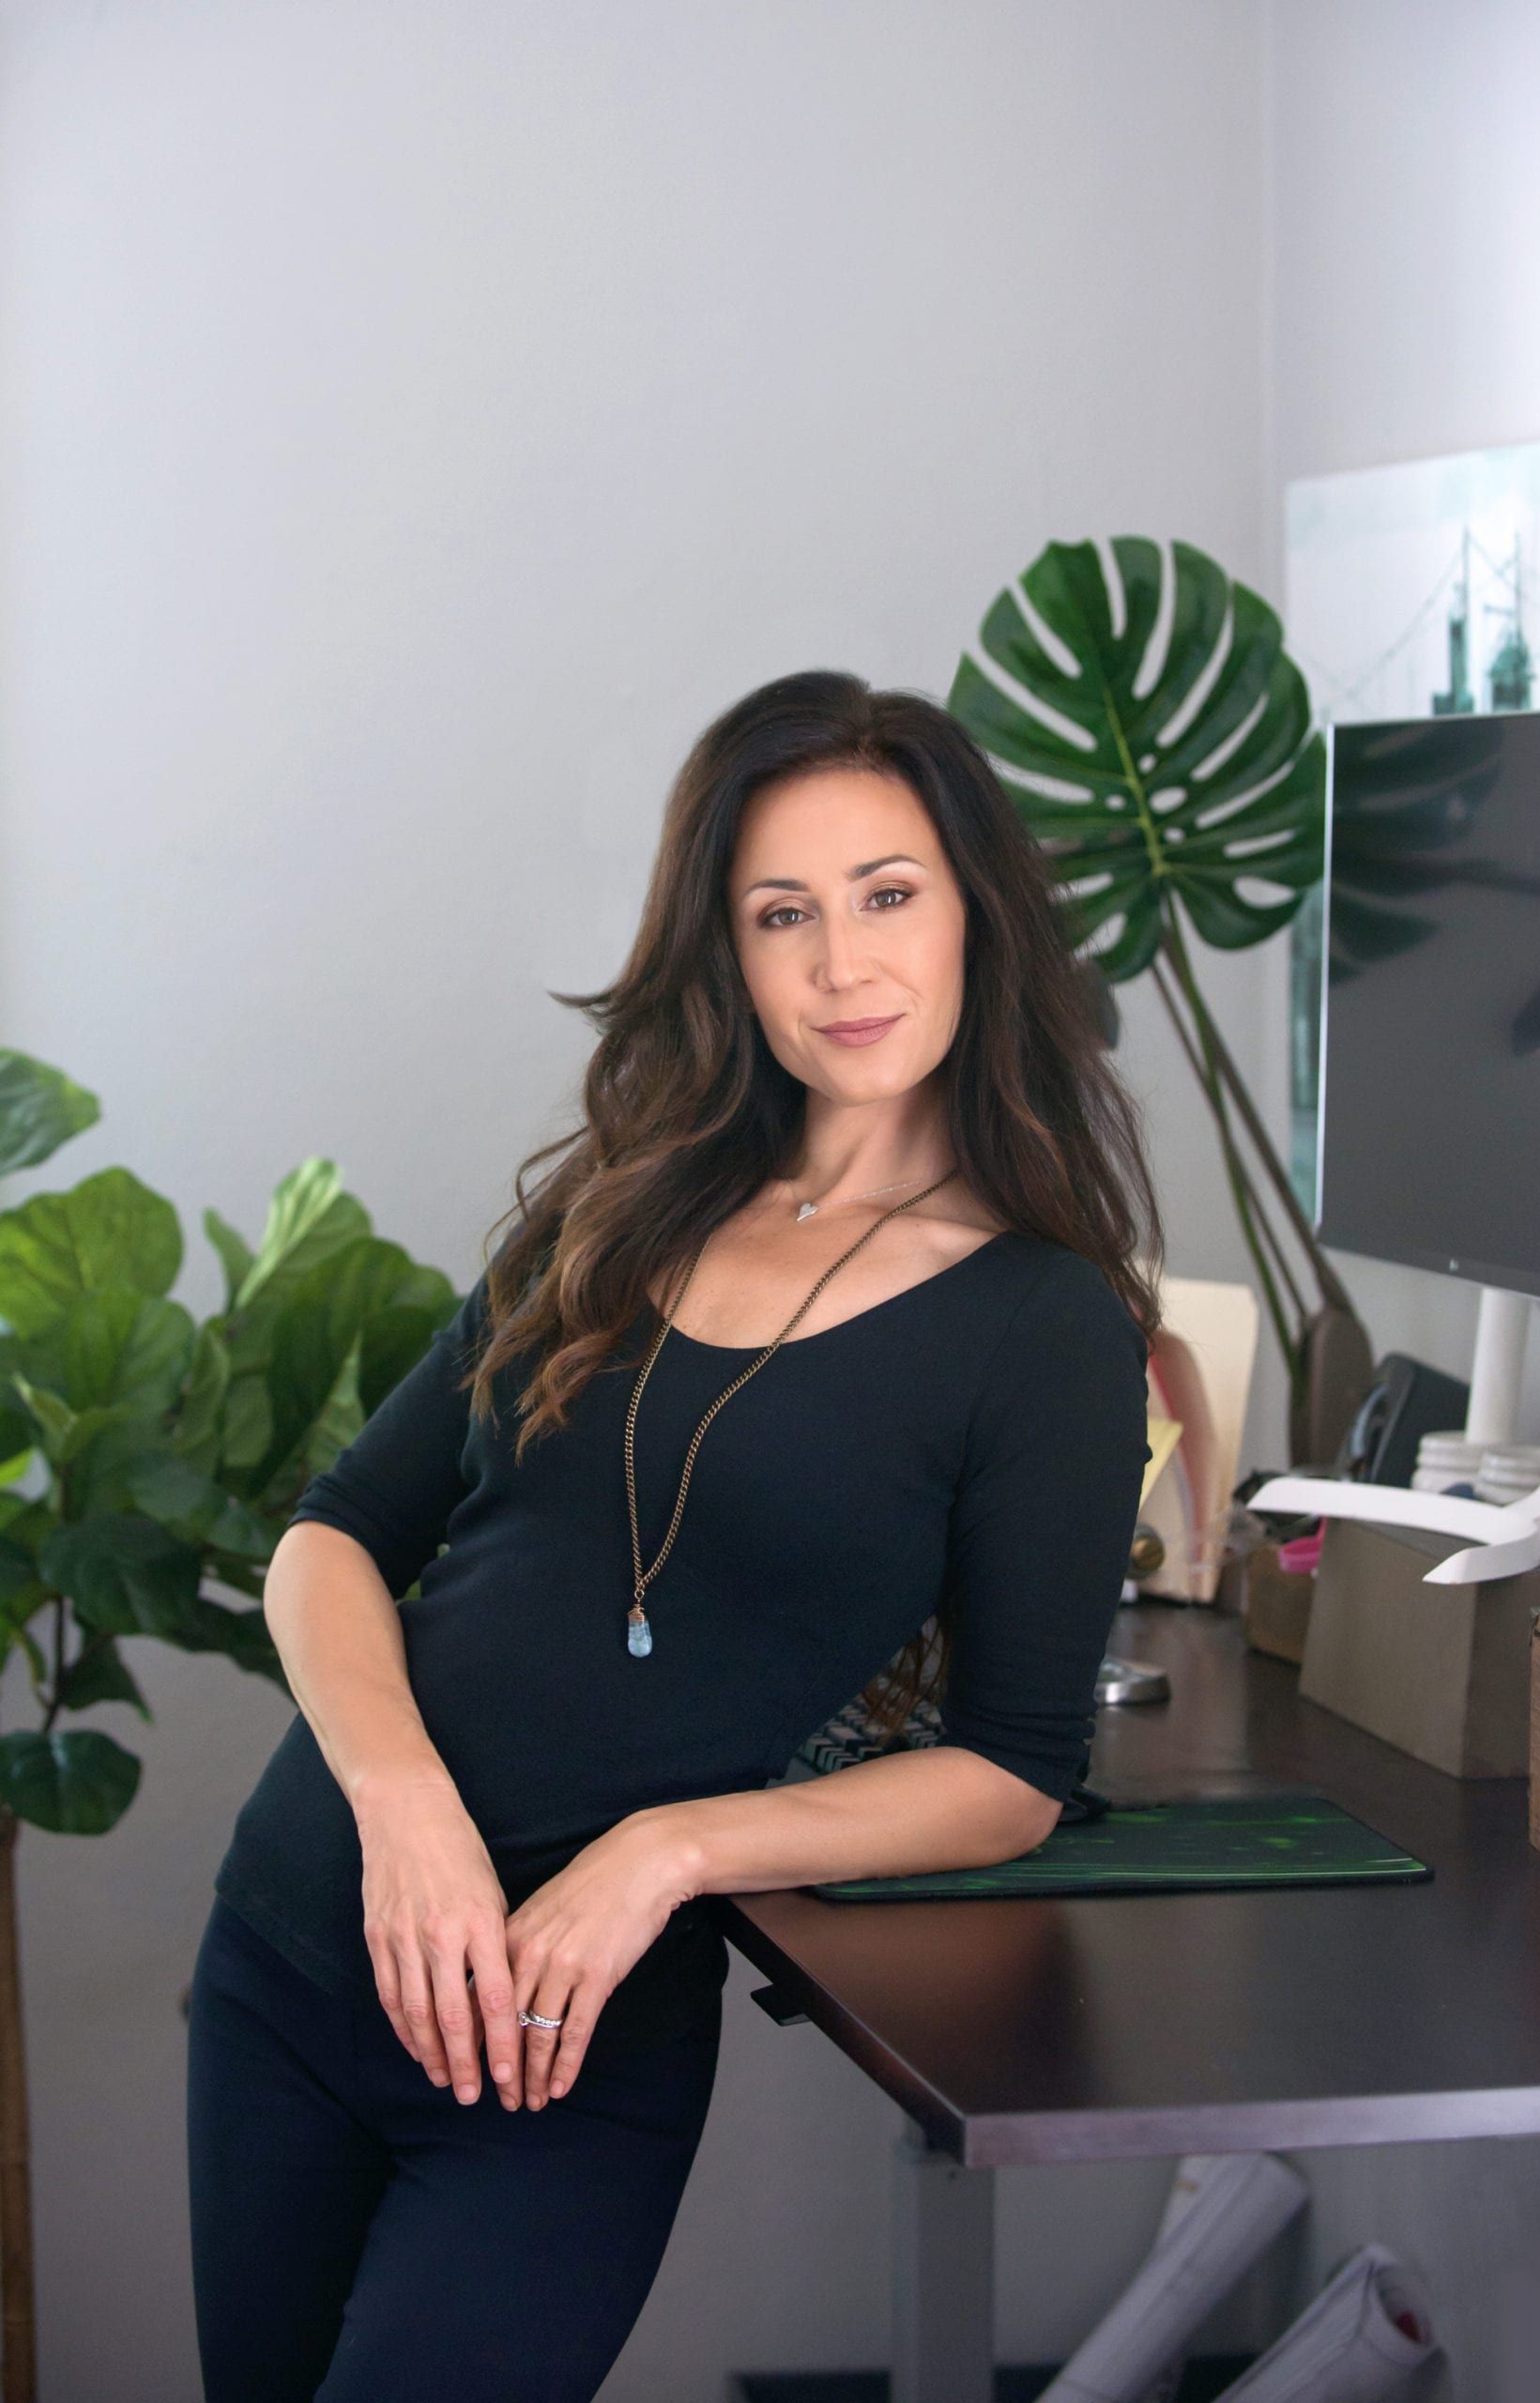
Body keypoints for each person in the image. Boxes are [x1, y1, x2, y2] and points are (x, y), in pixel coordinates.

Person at [185, 666, 1164, 2401]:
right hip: (291, 1946)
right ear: (727, 953)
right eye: (783, 913)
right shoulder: (620, 1206)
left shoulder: (1047, 1325)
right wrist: (405, 1810)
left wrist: (662, 1852)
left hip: (556, 2055)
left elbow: (1015, 1772)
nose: (843, 965)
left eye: (888, 897)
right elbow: (333, 1537)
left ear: (974, 917)